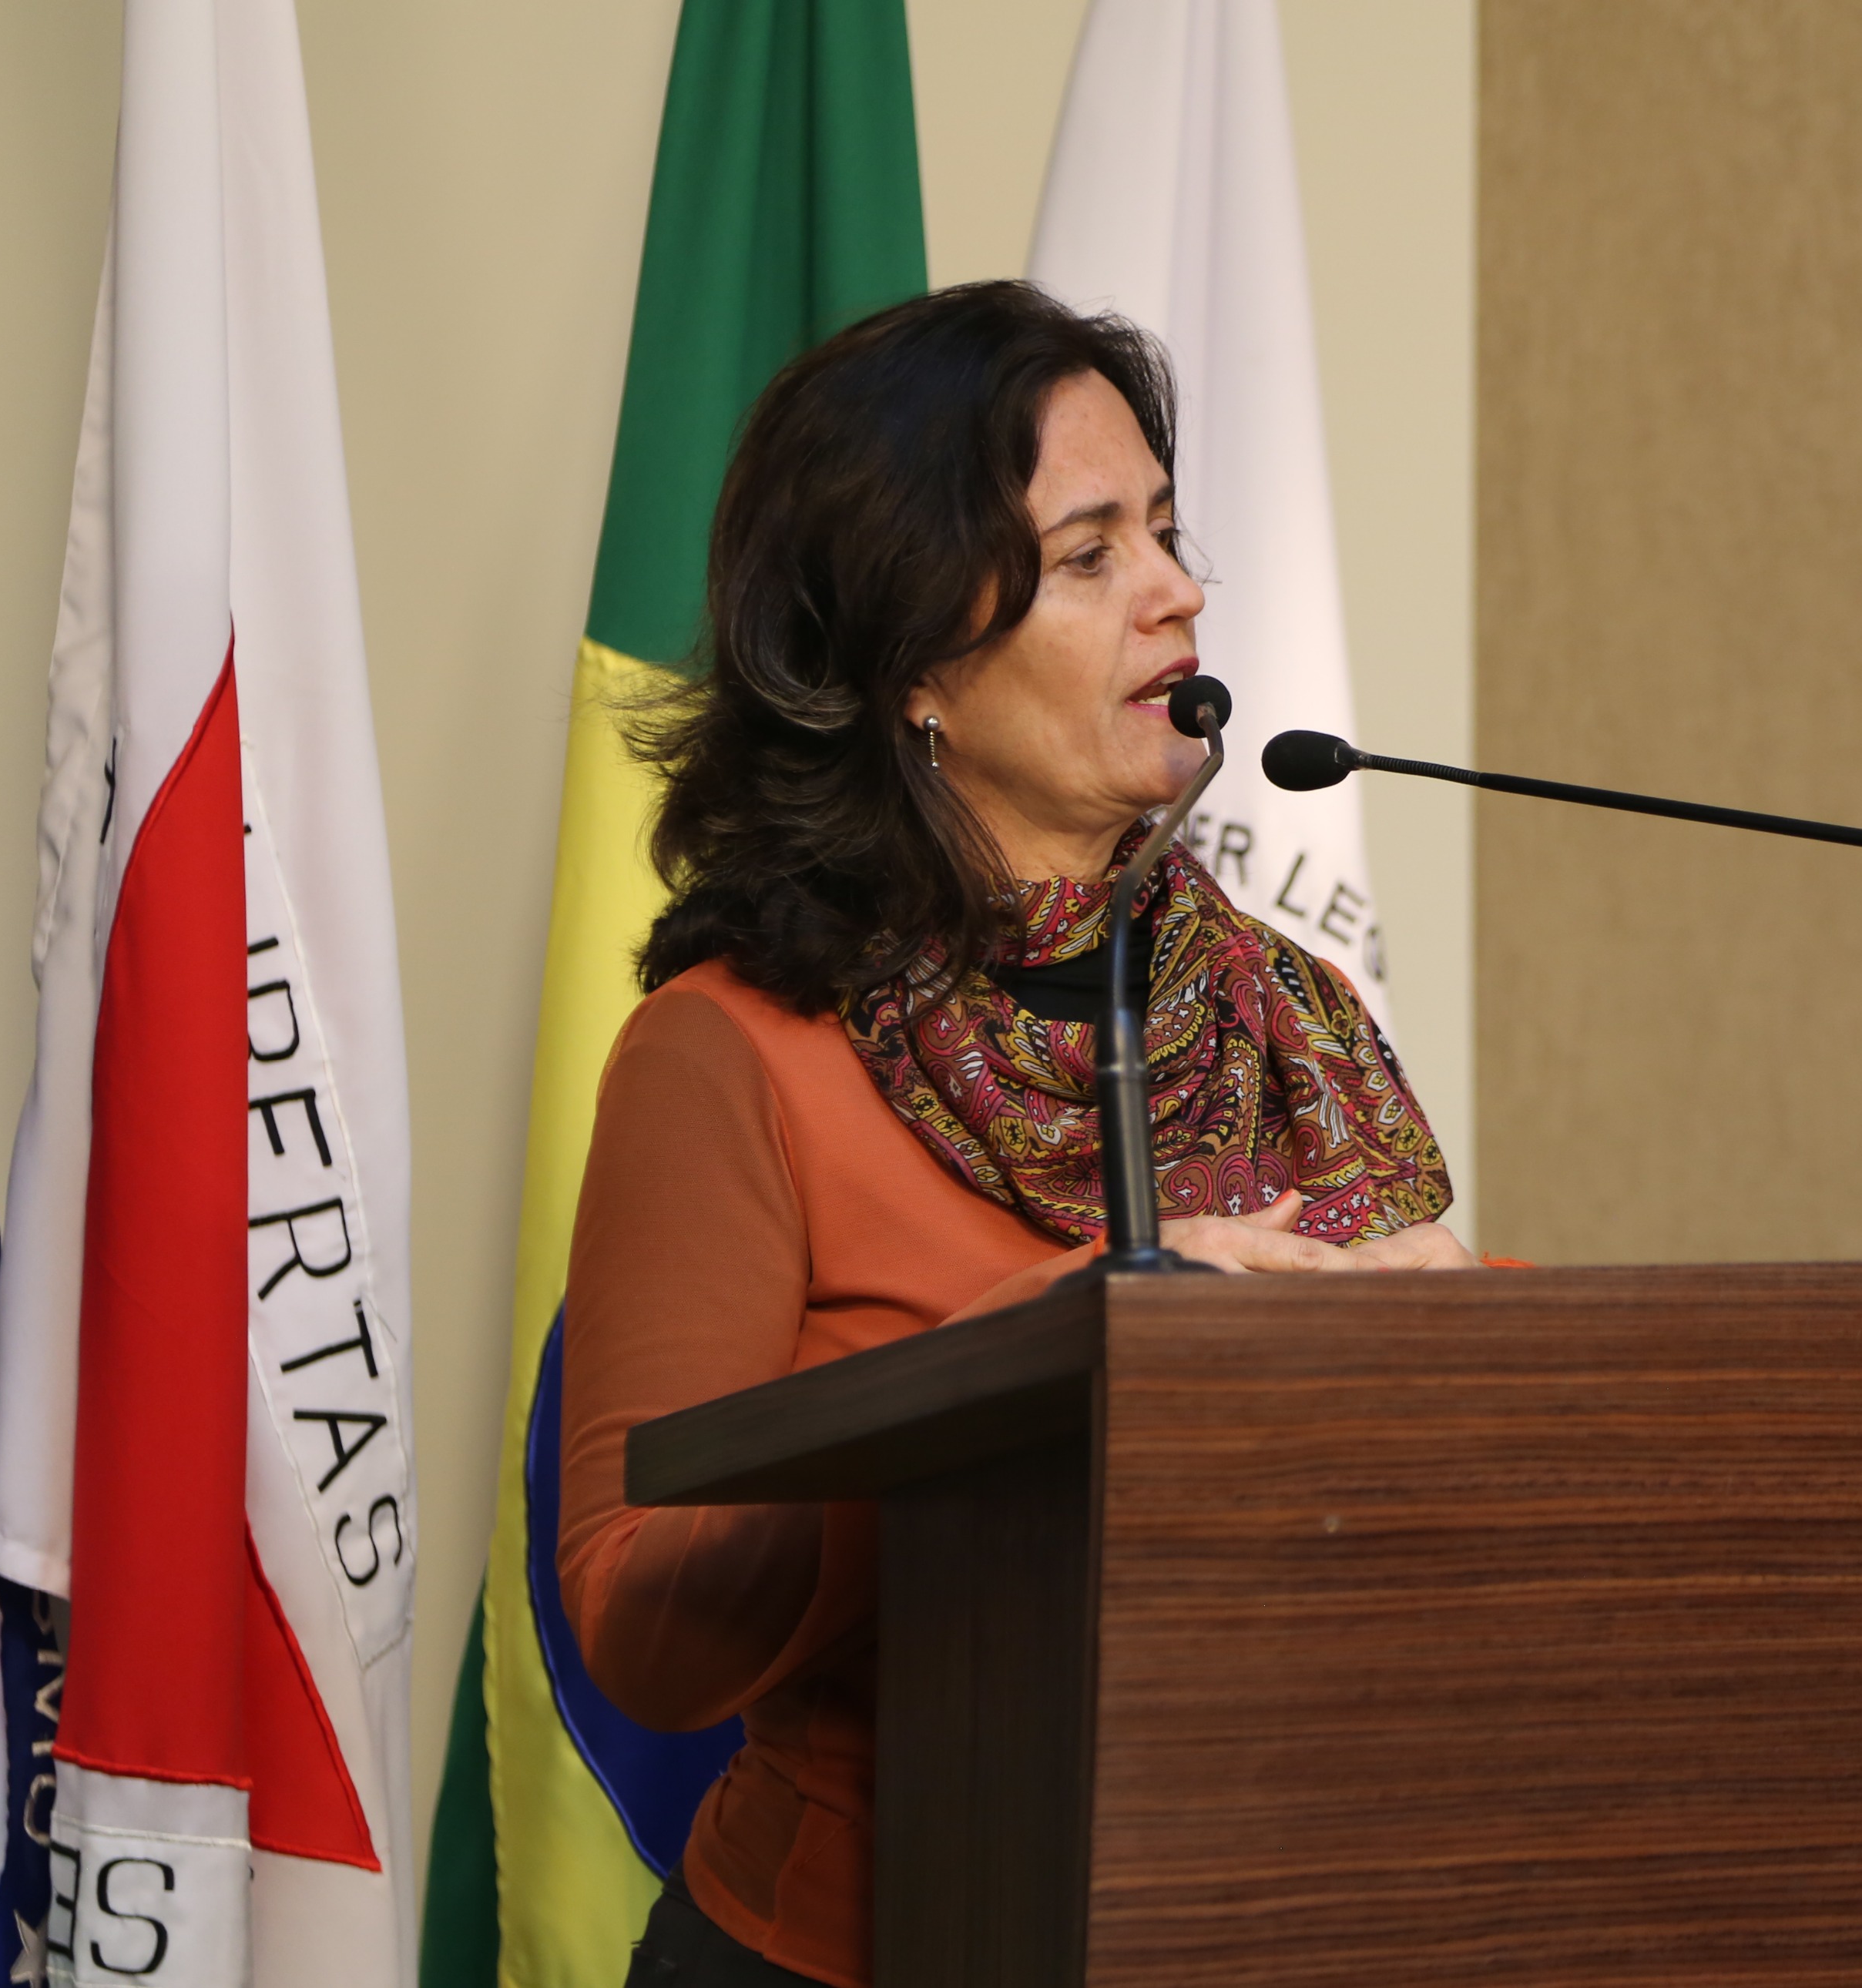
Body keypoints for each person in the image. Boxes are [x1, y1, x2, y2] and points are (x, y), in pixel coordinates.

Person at [558, 280, 1471, 1988]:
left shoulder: (1291, 1012)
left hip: (1265, 1918)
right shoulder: (728, 1052)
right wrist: (1034, 1357)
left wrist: (1471, 1356)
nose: (1178, 591)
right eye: (1089, 555)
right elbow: (636, 1619)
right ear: (915, 666)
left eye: (1167, 533)